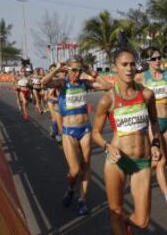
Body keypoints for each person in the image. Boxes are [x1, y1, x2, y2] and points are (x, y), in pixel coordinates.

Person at [92, 49, 161, 234]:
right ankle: (119, 220)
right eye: (124, 65)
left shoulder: (147, 95)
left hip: (141, 162)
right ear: (115, 68)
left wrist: (155, 143)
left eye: (132, 64)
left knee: (142, 221)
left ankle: (125, 220)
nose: (129, 69)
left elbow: (154, 121)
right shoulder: (108, 100)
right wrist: (107, 146)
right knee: (115, 210)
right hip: (118, 161)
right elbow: (96, 133)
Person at [41, 56, 111, 215]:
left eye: (79, 70)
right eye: (74, 70)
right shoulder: (62, 83)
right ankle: (70, 189)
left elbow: (107, 86)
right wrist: (57, 69)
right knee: (74, 170)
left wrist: (89, 71)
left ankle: (82, 200)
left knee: (86, 167)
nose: (77, 74)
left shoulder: (84, 83)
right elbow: (44, 83)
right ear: (68, 70)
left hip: (85, 129)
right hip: (69, 131)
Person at [135, 46, 167, 211]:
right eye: (153, 58)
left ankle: (138, 173)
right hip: (152, 123)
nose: (157, 61)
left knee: (164, 161)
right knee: (161, 161)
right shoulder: (141, 77)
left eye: (159, 57)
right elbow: (129, 91)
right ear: (147, 61)